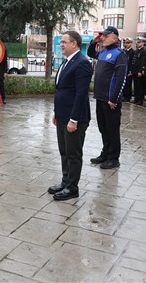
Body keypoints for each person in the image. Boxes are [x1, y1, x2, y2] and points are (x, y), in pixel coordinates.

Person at [48, 31, 93, 201]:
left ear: (74, 44)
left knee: (73, 153)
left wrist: (73, 120)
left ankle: (72, 187)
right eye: (61, 42)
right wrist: (57, 113)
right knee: (64, 151)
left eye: (64, 42)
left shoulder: (82, 63)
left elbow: (81, 94)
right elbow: (62, 90)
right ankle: (65, 181)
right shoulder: (67, 62)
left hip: (75, 118)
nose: (61, 45)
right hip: (63, 115)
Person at [87, 26, 128, 169]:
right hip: (100, 97)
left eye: (106, 36)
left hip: (110, 100)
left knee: (112, 129)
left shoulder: (119, 54)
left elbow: (120, 78)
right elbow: (91, 53)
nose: (103, 38)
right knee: (103, 128)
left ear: (115, 38)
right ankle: (105, 153)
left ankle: (113, 158)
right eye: (102, 36)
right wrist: (94, 41)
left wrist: (114, 98)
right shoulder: (104, 52)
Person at [122, 38, 135, 102]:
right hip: (124, 69)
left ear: (131, 44)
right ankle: (124, 96)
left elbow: (132, 62)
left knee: (128, 84)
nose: (126, 44)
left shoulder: (132, 52)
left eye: (128, 43)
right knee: (124, 83)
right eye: (125, 43)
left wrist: (131, 71)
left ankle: (127, 97)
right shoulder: (124, 51)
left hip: (129, 70)